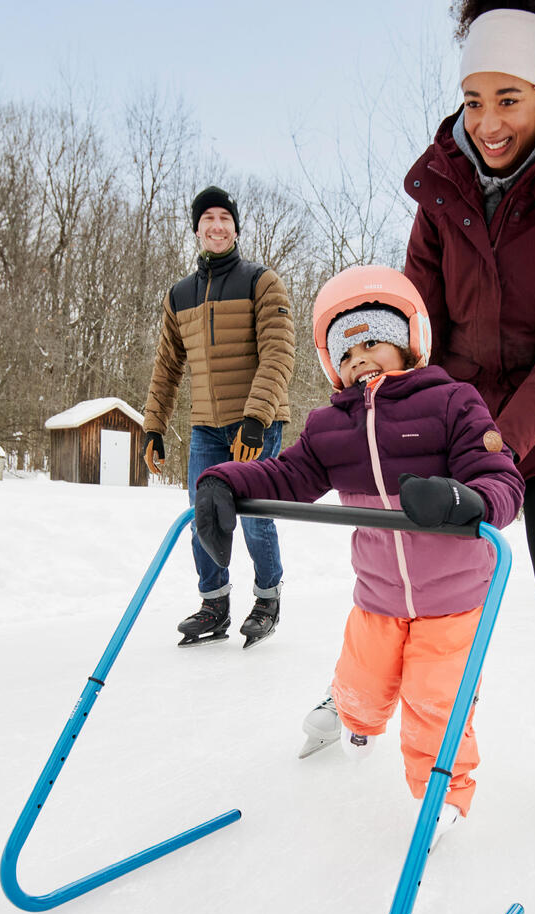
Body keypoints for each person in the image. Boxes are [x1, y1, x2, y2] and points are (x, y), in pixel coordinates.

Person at [304, 0, 535, 826]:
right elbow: (420, 317)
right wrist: (419, 410)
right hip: (448, 402)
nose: (486, 121)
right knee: (397, 543)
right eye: (473, 99)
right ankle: (357, 694)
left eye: (507, 100)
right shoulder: (442, 183)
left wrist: (500, 437)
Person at [194, 266, 524, 841]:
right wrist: (225, 480)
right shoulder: (330, 426)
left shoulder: (452, 403)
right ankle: (356, 723)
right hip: (377, 596)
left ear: (406, 344)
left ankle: (441, 795)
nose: (360, 357)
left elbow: (501, 475)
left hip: (454, 599)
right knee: (362, 685)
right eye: (347, 351)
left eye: (373, 341)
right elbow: (286, 474)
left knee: (436, 700)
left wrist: (466, 499)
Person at [142, 185, 295, 649]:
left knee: (252, 515)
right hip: (206, 427)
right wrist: (153, 426)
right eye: (207, 219)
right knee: (201, 515)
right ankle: (214, 604)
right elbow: (167, 367)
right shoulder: (179, 295)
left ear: (235, 227)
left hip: (256, 422)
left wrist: (256, 415)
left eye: (224, 218)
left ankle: (267, 598)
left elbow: (279, 352)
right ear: (196, 230)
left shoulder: (260, 281)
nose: (216, 226)